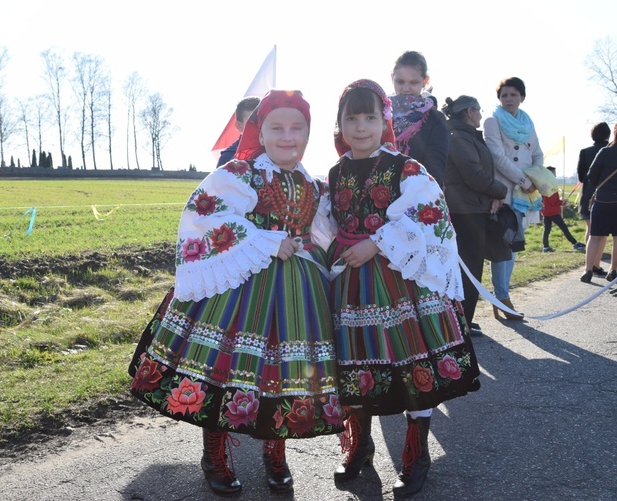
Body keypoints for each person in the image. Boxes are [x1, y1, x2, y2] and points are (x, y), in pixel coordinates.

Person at [130, 90, 344, 496]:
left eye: (296, 128)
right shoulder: (239, 174)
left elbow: (326, 234)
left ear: (308, 134)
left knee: (286, 373)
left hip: (298, 291)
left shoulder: (314, 185)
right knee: (224, 369)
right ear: (260, 133)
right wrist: (265, 241)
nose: (287, 136)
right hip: (241, 290)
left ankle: (274, 451)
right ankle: (215, 451)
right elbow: (203, 215)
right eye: (276, 127)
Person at [328, 79, 480, 498]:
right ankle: (359, 443)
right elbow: (326, 223)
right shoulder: (335, 173)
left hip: (400, 282)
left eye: (370, 117)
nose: (360, 127)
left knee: (413, 364)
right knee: (356, 365)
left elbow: (430, 216)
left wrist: (375, 242)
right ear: (339, 124)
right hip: (352, 285)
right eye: (351, 118)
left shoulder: (406, 169)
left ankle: (416, 451)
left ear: (385, 121)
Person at [442, 95, 507, 337]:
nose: (481, 114)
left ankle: (464, 320)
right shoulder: (459, 138)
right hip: (465, 212)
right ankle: (461, 323)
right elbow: (474, 175)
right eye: (478, 110)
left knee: (469, 269)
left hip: (471, 208)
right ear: (469, 112)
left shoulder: (464, 136)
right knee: (468, 270)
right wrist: (501, 191)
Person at [483, 76, 542, 321]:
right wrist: (524, 180)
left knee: (515, 244)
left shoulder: (528, 123)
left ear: (522, 97)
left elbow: (537, 153)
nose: (508, 99)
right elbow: (497, 157)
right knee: (502, 245)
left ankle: (502, 296)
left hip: (525, 194)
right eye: (504, 95)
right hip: (504, 192)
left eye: (513, 94)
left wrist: (537, 177)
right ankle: (502, 297)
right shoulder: (492, 121)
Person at [580, 118, 617, 283]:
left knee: (595, 235)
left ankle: (588, 270)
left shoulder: (606, 151)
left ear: (615, 133)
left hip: (603, 200)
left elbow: (590, 176)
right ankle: (613, 269)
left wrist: (601, 187)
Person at [390, 50, 449, 187]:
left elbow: (436, 165)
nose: (405, 88)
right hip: (378, 190)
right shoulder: (380, 113)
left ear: (424, 81)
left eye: (413, 82)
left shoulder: (434, 118)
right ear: (392, 78)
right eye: (400, 82)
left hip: (416, 191)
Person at [578, 122, 611, 276]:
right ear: (608, 135)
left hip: (587, 195)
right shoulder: (611, 151)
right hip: (605, 195)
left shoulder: (584, 152)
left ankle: (589, 265)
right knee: (601, 233)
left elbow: (580, 177)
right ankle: (596, 265)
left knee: (590, 230)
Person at [540, 166, 586, 252]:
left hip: (545, 211)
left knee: (547, 229)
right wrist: (561, 202)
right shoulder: (551, 185)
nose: (555, 176)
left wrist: (560, 202)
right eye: (554, 174)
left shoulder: (542, 183)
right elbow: (553, 200)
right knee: (564, 228)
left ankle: (546, 247)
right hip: (552, 212)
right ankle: (575, 243)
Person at [216, 96, 261, 167]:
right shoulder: (228, 157)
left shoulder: (277, 149)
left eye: (261, 119)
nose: (258, 124)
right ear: (239, 126)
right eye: (252, 121)